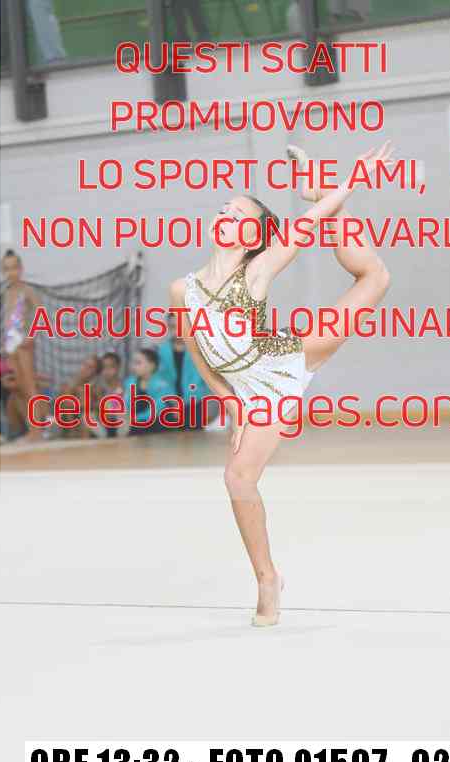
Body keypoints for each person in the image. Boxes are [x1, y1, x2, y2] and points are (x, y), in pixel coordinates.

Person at [170, 141, 393, 626]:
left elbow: (307, 226)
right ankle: (267, 579)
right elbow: (195, 350)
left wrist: (347, 182)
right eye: (223, 208)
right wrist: (230, 403)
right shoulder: (182, 290)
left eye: (238, 214)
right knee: (238, 478)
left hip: (284, 359)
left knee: (374, 277)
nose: (225, 214)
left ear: (253, 234)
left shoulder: (258, 269)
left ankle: (319, 191)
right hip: (257, 394)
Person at [1, 249, 48, 440]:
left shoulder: (27, 290)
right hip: (11, 344)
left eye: (14, 268)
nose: (11, 272)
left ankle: (37, 430)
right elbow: (8, 319)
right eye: (6, 269)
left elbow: (41, 313)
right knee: (19, 387)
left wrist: (31, 336)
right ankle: (32, 428)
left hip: (23, 342)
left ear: (20, 269)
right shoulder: (7, 292)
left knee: (29, 386)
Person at [157, 312, 217, 429]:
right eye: (173, 326)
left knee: (195, 436)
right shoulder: (162, 350)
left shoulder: (198, 348)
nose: (177, 330)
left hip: (195, 402)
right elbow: (161, 379)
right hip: (169, 403)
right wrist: (173, 401)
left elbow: (204, 378)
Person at [123, 348, 173, 436]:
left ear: (151, 366)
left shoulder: (163, 385)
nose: (133, 367)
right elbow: (125, 405)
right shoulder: (130, 382)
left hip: (157, 424)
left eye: (138, 363)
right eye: (133, 363)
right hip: (136, 423)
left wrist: (133, 419)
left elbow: (154, 412)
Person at [92, 352, 125, 439]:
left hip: (119, 419)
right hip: (104, 420)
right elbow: (96, 404)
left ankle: (121, 436)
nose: (107, 371)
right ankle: (103, 436)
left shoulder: (123, 384)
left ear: (118, 367)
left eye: (111, 367)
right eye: (104, 367)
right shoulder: (98, 384)